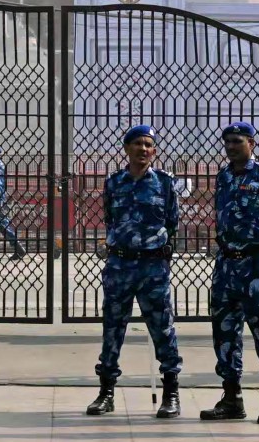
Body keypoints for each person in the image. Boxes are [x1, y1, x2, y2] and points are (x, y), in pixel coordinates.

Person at [200, 121, 259, 425]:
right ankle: (231, 399)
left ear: (251, 143)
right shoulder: (224, 177)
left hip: (256, 266)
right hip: (226, 265)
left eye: (237, 141)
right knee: (225, 333)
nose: (230, 146)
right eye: (226, 141)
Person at [87, 125, 182, 419]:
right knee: (113, 328)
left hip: (153, 267)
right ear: (127, 149)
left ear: (154, 151)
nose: (143, 149)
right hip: (120, 266)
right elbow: (110, 218)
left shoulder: (165, 183)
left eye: (149, 145)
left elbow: (172, 222)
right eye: (138, 144)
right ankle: (107, 392)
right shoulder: (114, 183)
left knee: (162, 329)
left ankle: (171, 393)